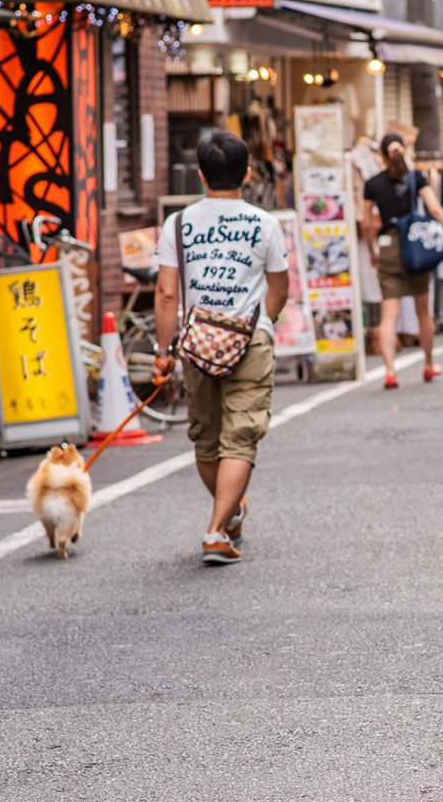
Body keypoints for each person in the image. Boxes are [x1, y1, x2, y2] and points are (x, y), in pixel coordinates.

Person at [154, 131, 290, 566]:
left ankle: (226, 516)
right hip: (250, 338)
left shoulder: (178, 224)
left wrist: (163, 348)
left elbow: (166, 294)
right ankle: (217, 528)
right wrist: (261, 322)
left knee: (207, 437)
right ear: (247, 173)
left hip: (197, 343)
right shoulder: (265, 223)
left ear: (200, 176)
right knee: (241, 436)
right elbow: (279, 288)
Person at [362, 132, 443, 390]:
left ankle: (390, 371)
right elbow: (434, 209)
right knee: (423, 310)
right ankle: (428, 364)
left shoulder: (372, 183)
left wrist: (372, 250)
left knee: (389, 315)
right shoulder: (416, 177)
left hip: (388, 247)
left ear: (382, 156)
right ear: (405, 151)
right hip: (414, 247)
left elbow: (367, 223)